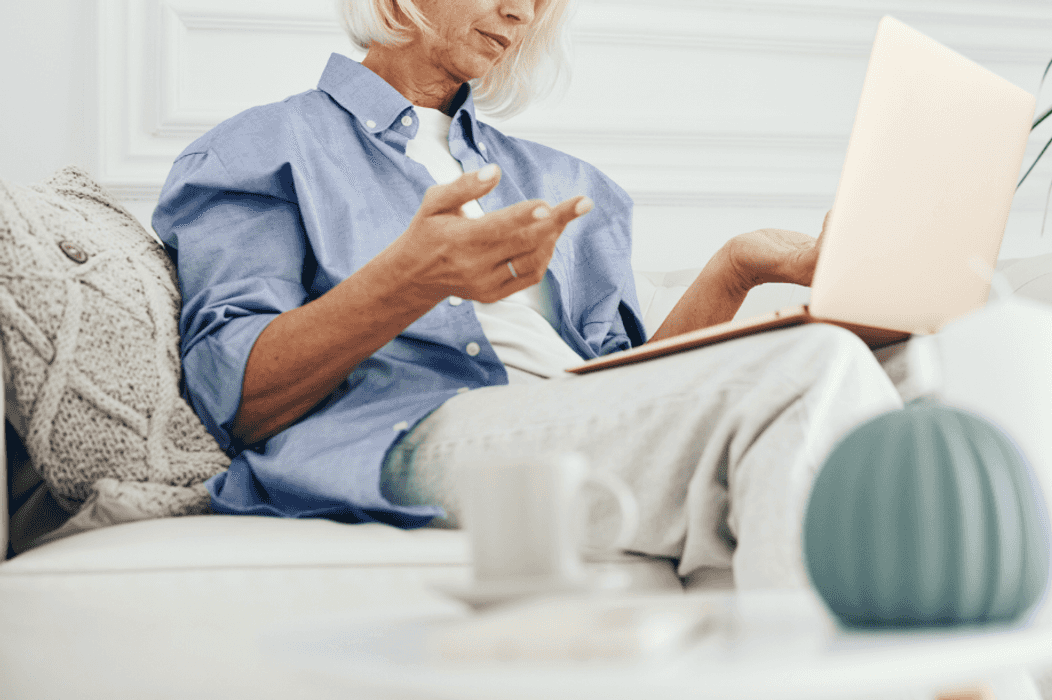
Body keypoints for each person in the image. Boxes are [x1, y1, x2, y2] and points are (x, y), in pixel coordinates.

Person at [153, 0, 900, 588]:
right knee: (812, 370)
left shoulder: (564, 182)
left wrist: (738, 267)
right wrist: (413, 279)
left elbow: (640, 392)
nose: (522, 11)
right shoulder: (264, 148)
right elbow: (237, 402)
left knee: (905, 374)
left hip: (564, 415)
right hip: (407, 436)